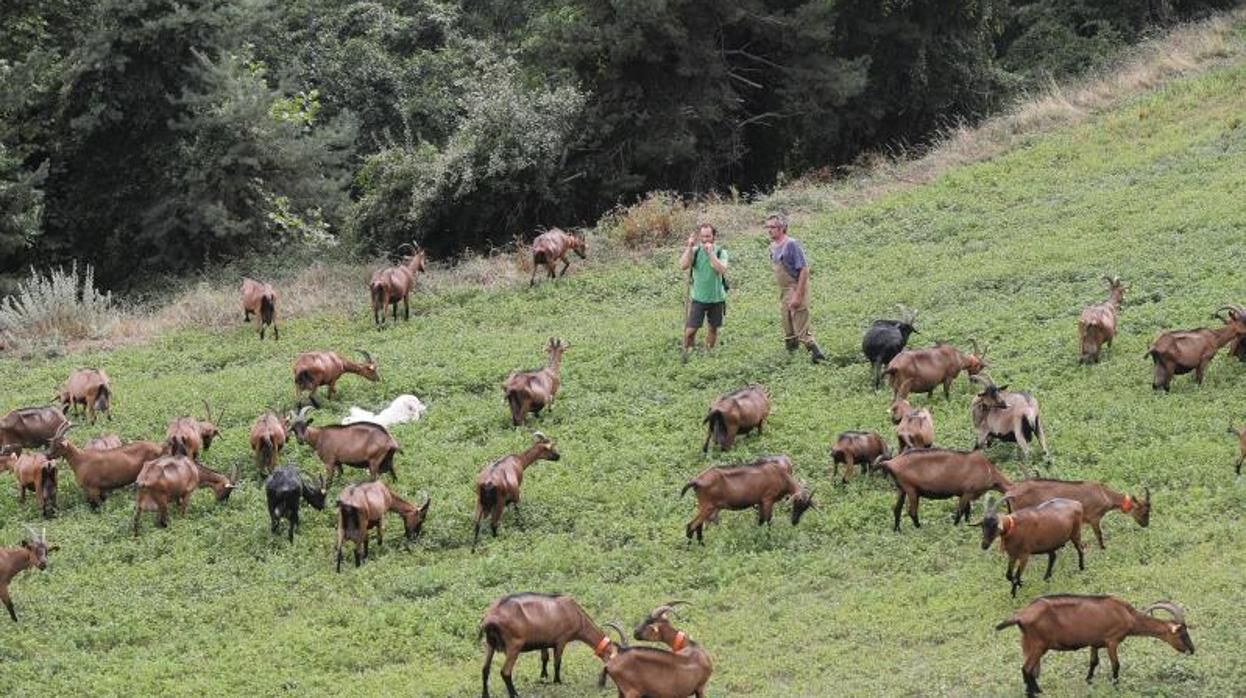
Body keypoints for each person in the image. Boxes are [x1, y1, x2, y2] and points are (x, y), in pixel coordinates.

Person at [766, 213, 826, 363]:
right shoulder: (772, 246)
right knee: (787, 325)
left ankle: (818, 357)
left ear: (782, 228)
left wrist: (798, 295)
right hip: (784, 291)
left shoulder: (791, 244)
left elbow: (804, 270)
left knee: (800, 325)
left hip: (795, 287)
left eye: (772, 227)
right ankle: (792, 359)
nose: (769, 230)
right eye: (768, 227)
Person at [678, 223, 728, 364]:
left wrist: (711, 253)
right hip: (698, 299)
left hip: (716, 298)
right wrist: (689, 247)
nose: (705, 239)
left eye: (708, 236)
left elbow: (721, 269)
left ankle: (708, 356)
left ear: (713, 237)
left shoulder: (721, 252)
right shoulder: (694, 251)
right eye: (703, 236)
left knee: (713, 329)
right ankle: (688, 355)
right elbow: (683, 265)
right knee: (690, 331)